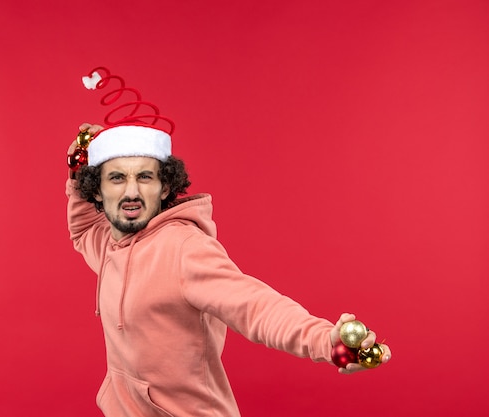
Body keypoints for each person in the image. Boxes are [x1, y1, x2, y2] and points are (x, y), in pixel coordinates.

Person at [66, 120, 391, 416]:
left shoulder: (184, 250)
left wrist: (326, 341)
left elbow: (256, 306)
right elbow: (82, 230)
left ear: (165, 188)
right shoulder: (109, 246)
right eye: (117, 178)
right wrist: (76, 168)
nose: (132, 192)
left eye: (145, 177)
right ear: (97, 189)